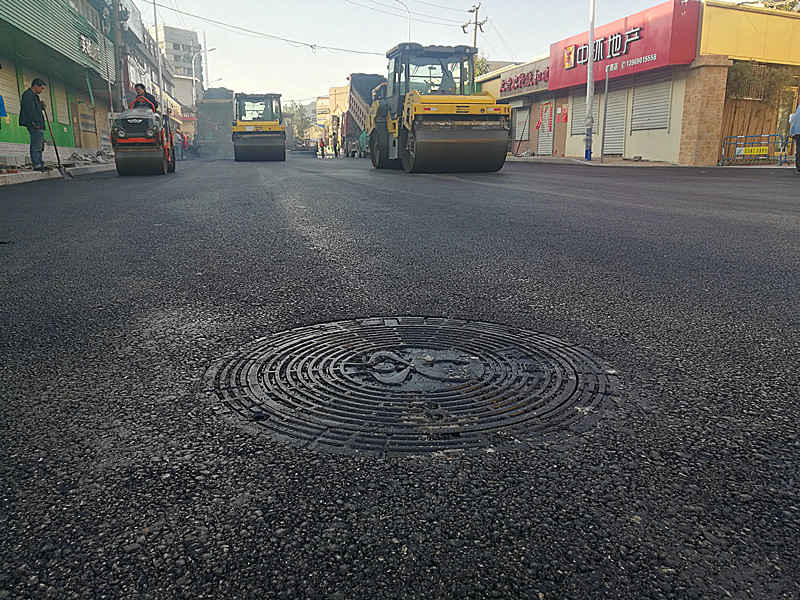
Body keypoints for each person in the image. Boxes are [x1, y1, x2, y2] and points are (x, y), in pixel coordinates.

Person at [18, 78, 48, 171]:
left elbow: (36, 109)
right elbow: (29, 110)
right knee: (36, 144)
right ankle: (37, 164)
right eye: (41, 88)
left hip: (38, 123)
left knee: (40, 145)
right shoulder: (28, 95)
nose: (42, 90)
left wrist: (41, 105)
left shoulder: (35, 96)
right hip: (34, 124)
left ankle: (39, 162)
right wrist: (33, 123)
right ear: (35, 86)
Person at [790, 103, 800, 173]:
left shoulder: (798, 110)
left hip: (797, 132)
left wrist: (792, 132)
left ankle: (798, 167)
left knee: (798, 150)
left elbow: (794, 120)